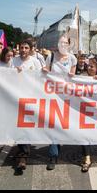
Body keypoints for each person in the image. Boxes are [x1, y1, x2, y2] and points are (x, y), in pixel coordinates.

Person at [42, 35, 77, 170]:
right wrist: (44, 71)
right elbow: (45, 72)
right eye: (61, 42)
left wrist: (72, 76)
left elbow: (73, 76)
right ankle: (53, 154)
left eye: (65, 42)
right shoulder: (50, 57)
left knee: (64, 122)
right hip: (52, 95)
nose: (63, 44)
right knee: (53, 123)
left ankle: (61, 143)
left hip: (67, 96)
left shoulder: (72, 58)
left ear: (68, 45)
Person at [12, 40, 46, 171]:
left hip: (30, 97)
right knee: (17, 124)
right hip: (14, 96)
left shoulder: (35, 61)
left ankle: (23, 155)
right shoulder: (13, 61)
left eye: (26, 48)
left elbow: (40, 78)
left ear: (31, 49)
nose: (23, 50)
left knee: (25, 124)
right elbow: (3, 74)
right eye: (21, 47)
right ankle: (22, 150)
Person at [78, 55, 97, 172]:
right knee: (84, 134)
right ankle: (87, 158)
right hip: (84, 111)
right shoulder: (82, 77)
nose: (89, 68)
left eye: (92, 67)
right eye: (88, 66)